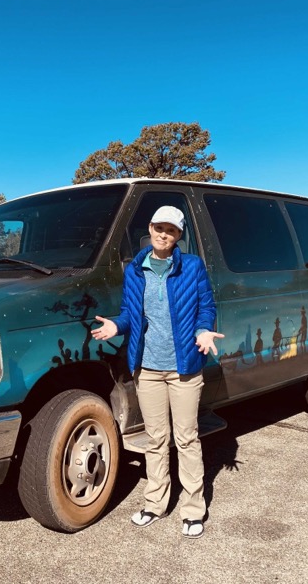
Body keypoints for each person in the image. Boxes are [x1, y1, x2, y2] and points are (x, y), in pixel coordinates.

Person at [92, 205, 223, 539]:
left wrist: (205, 330)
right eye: (159, 228)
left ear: (179, 235)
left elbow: (206, 307)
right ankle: (155, 504)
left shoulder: (192, 267)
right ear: (149, 229)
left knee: (186, 437)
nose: (164, 234)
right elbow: (129, 314)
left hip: (184, 369)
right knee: (156, 439)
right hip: (147, 369)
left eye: (172, 230)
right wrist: (116, 326)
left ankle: (193, 509)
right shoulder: (136, 270)